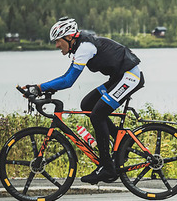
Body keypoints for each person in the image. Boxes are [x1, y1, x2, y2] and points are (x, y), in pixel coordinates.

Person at [26, 17, 144, 184]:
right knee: (87, 104)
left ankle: (107, 167)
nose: (57, 45)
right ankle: (121, 139)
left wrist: (39, 87)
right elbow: (66, 78)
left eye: (58, 41)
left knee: (98, 114)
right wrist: (44, 88)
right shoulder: (81, 45)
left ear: (69, 37)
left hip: (129, 77)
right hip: (120, 77)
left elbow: (68, 81)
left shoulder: (85, 47)